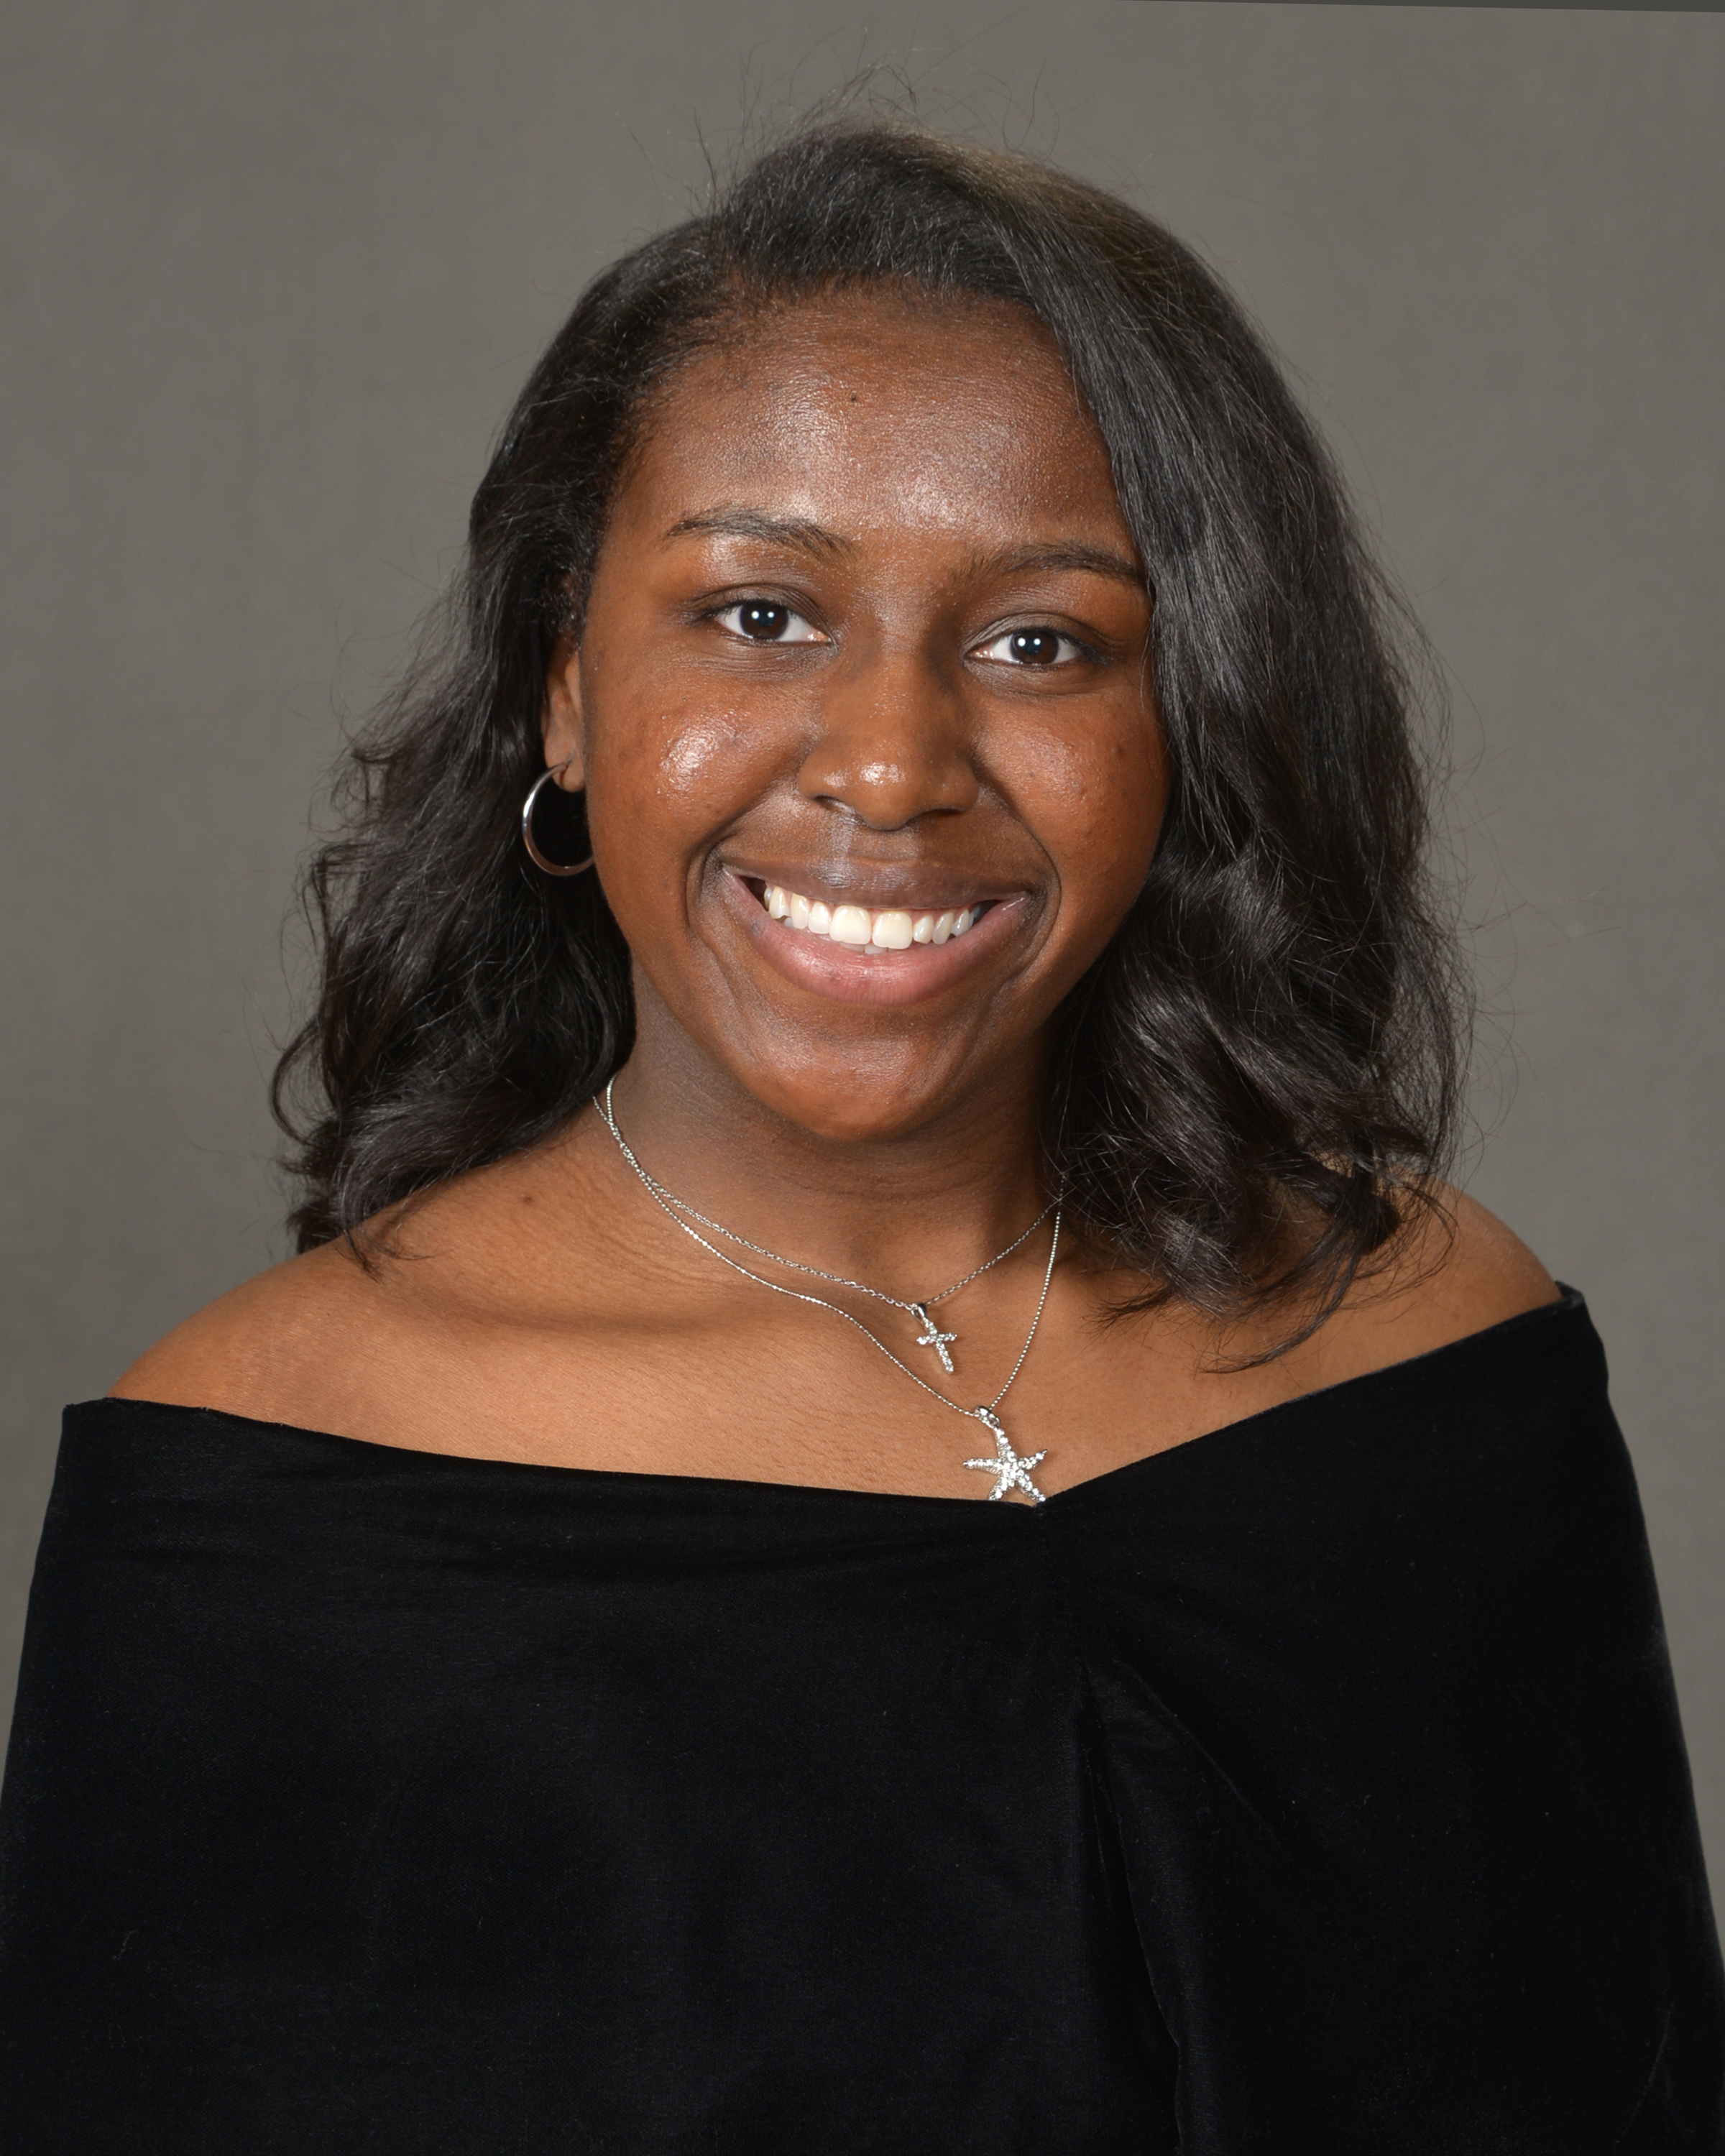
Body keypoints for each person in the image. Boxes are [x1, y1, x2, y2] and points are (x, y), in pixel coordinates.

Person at [1, 119, 1719, 2152]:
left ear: (1193, 723)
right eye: (759, 614)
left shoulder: (1439, 1354)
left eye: (1041, 641)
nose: (892, 768)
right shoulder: (260, 1498)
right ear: (565, 687)